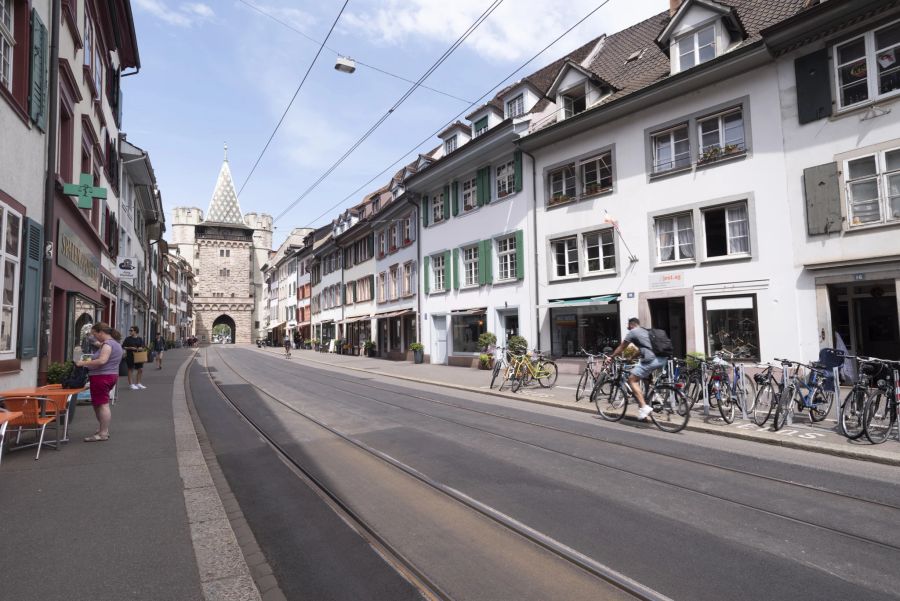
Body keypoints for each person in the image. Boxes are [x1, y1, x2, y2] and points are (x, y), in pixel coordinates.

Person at [605, 318, 668, 421]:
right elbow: (641, 349)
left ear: (631, 325)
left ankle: (644, 407)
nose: (627, 328)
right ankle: (647, 400)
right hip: (662, 359)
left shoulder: (633, 332)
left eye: (628, 326)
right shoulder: (645, 331)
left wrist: (611, 357)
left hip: (651, 360)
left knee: (632, 380)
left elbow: (622, 347)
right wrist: (631, 358)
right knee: (644, 380)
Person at [75, 322, 123, 442]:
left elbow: (102, 361)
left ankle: (103, 433)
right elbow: (98, 354)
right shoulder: (114, 344)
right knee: (98, 404)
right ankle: (103, 428)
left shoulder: (107, 344)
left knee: (102, 404)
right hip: (109, 375)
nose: (95, 336)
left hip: (102, 377)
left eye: (95, 334)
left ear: (101, 332)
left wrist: (83, 363)